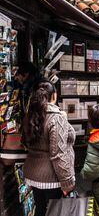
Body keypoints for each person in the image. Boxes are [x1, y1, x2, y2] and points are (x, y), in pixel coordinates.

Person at [22, 81, 75, 216]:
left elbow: (26, 143)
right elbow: (58, 154)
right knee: (55, 212)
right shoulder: (55, 118)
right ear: (54, 95)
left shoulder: (30, 115)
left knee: (40, 209)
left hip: (33, 174)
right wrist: (67, 182)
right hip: (51, 178)